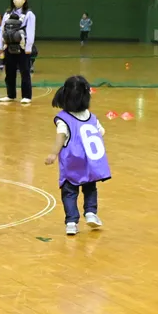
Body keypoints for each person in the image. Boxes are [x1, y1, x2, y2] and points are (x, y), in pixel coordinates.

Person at [44, 76, 111, 236]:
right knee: (90, 188)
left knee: (69, 192)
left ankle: (72, 222)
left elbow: (61, 137)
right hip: (89, 163)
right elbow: (101, 132)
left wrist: (53, 154)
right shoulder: (91, 116)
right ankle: (90, 212)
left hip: (71, 163)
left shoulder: (63, 119)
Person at [0, 0, 36, 104]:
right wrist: (0, 46)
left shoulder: (29, 14)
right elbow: (2, 31)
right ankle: (10, 95)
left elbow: (30, 31)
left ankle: (26, 96)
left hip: (23, 47)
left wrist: (28, 47)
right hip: (9, 46)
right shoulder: (7, 14)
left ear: (24, 0)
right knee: (9, 71)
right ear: (12, 0)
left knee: (25, 71)